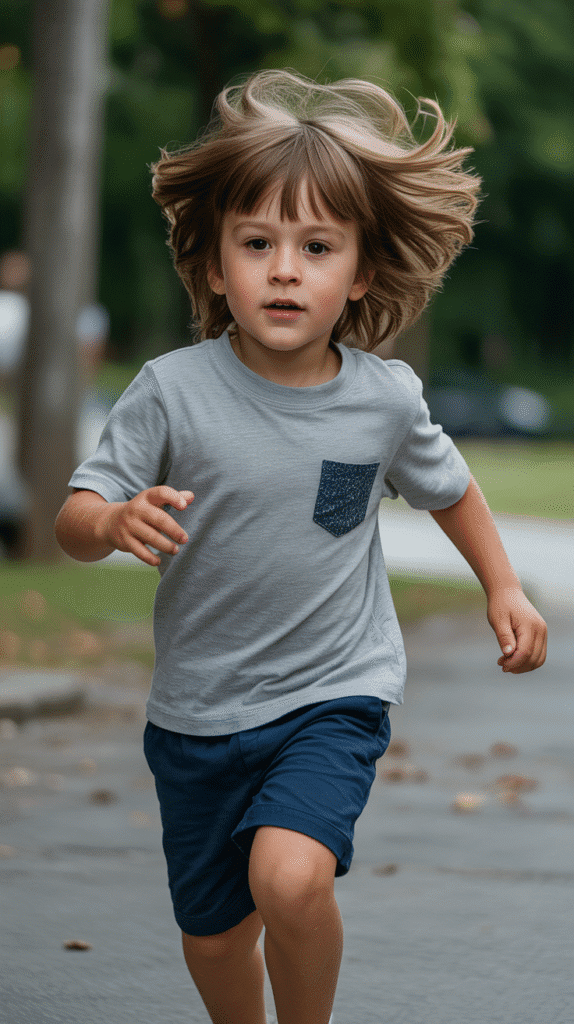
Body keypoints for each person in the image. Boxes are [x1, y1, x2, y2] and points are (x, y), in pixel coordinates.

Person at [54, 70, 547, 1024]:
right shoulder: (171, 390)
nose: (286, 269)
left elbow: (451, 491)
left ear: (358, 273)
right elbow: (78, 516)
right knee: (214, 935)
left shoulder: (383, 399)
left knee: (290, 880)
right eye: (258, 244)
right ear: (213, 264)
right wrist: (113, 522)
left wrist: (504, 586)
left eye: (316, 247)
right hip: (197, 712)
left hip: (333, 693)